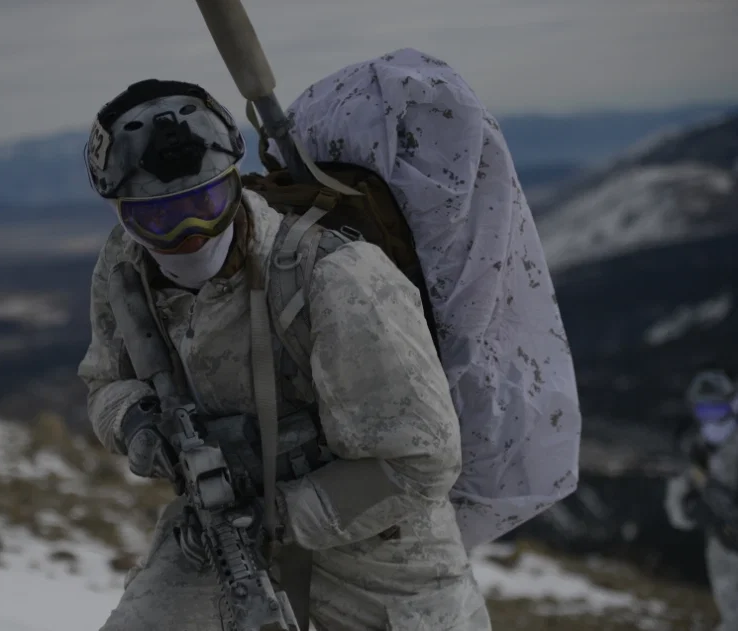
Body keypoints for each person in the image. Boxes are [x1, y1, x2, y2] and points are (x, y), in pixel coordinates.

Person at [77, 75, 492, 630]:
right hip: (219, 531)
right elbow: (104, 381)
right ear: (125, 215)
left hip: (380, 555)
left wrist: (280, 514)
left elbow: (421, 463)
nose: (191, 234)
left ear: (234, 184)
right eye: (158, 218)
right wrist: (134, 423)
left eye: (207, 202)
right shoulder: (126, 269)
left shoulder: (337, 280)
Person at [665, 370, 738, 631]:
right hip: (725, 549)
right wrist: (691, 510)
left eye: (718, 409)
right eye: (704, 412)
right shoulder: (694, 448)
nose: (712, 421)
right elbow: (677, 511)